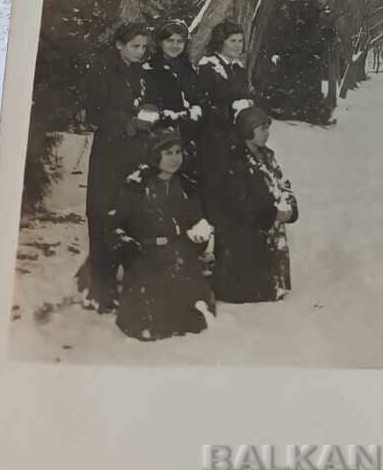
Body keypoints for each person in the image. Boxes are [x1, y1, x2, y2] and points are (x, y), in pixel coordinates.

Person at [107, 129, 216, 341]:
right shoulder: (136, 186)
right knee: (148, 321)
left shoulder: (187, 185)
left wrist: (197, 237)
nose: (174, 159)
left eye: (178, 152)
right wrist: (130, 250)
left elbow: (198, 221)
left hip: (180, 257)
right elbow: (115, 226)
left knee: (192, 319)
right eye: (168, 153)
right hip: (146, 259)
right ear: (155, 154)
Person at [79, 20, 151, 312]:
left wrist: (148, 115)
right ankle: (100, 287)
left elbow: (145, 102)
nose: (140, 52)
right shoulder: (102, 69)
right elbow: (95, 111)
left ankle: (127, 280)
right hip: (109, 152)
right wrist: (126, 122)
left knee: (129, 212)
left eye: (144, 47)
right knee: (103, 212)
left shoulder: (139, 72)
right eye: (135, 46)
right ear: (120, 44)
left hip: (135, 151)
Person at [204, 105, 297, 304]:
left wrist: (290, 208)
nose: (267, 133)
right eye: (262, 129)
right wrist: (271, 214)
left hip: (270, 231)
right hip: (243, 235)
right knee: (248, 290)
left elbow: (282, 184)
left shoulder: (268, 156)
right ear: (247, 130)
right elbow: (238, 202)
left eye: (267, 128)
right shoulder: (233, 160)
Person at [142, 19, 203, 179]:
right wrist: (169, 118)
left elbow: (197, 98)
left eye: (179, 41)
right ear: (160, 42)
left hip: (189, 138)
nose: (175, 45)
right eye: (170, 41)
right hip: (162, 141)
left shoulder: (188, 69)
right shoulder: (149, 70)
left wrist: (196, 113)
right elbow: (149, 107)